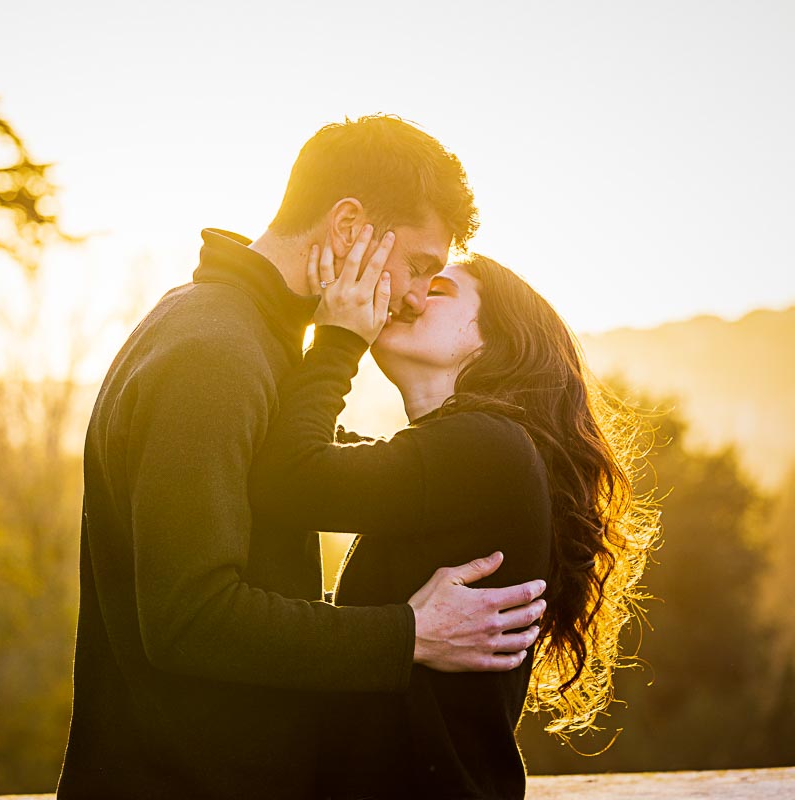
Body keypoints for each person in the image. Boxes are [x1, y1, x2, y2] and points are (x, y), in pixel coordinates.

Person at [57, 116, 549, 800]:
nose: (412, 296)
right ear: (347, 227)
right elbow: (190, 618)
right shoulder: (213, 353)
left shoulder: (241, 337)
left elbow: (318, 466)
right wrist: (405, 634)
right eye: (419, 268)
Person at [250, 234, 660, 798]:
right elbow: (302, 451)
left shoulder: (484, 447)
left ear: (496, 341)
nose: (410, 297)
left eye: (437, 287)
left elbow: (291, 475)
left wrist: (336, 342)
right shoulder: (464, 454)